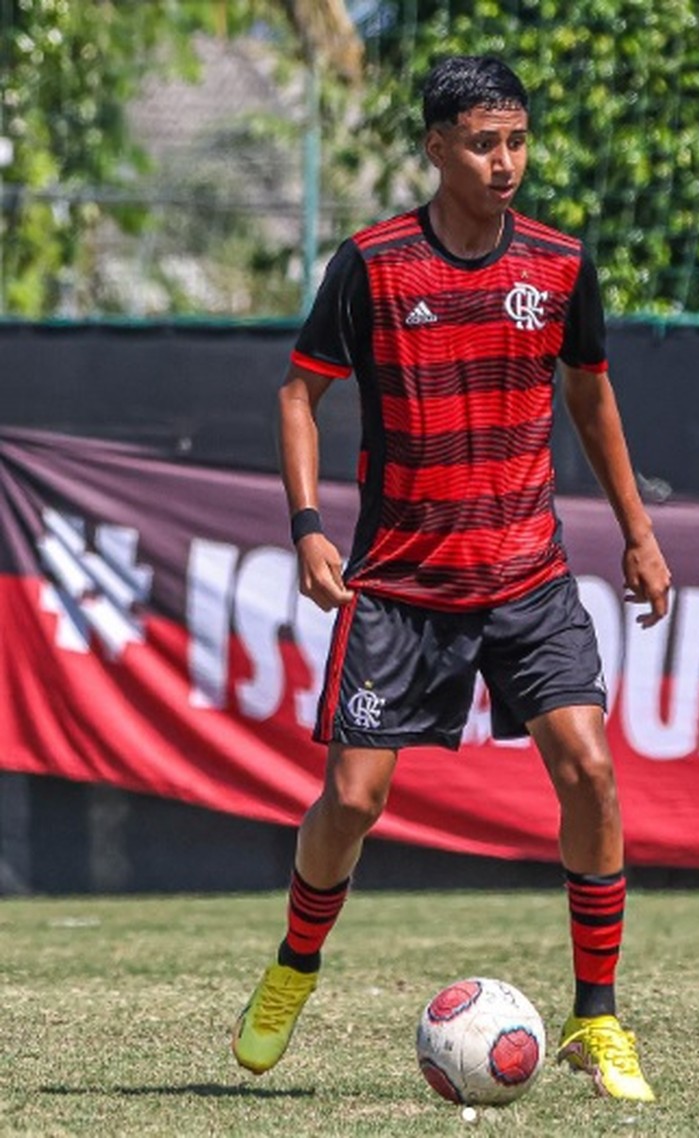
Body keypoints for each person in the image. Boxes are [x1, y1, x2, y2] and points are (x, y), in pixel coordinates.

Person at [232, 54, 671, 1103]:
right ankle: (294, 968)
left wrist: (640, 533)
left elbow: (592, 400)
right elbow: (300, 395)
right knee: (352, 798)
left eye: (517, 140)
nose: (505, 160)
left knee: (592, 772)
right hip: (400, 582)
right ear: (437, 148)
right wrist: (306, 529)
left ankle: (598, 1018)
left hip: (528, 572)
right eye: (484, 143)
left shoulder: (561, 264)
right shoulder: (376, 266)